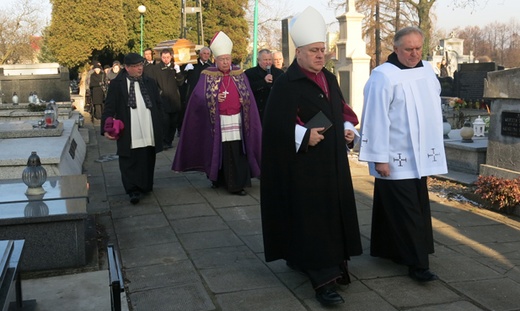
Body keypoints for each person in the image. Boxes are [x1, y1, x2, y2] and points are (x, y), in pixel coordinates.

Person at [260, 6, 362, 306]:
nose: (321, 55)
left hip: (332, 163)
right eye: (315, 51)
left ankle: (325, 263)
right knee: (313, 220)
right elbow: (276, 126)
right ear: (299, 52)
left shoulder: (328, 78)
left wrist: (346, 127)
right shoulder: (285, 83)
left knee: (332, 216)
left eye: (323, 51)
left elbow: (341, 109)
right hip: (303, 168)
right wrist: (304, 135)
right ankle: (323, 282)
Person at [358, 26, 448, 282]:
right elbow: (375, 118)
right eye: (408, 49)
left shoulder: (428, 71)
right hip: (395, 156)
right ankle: (418, 265)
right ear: (396, 49)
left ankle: (390, 250)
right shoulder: (383, 76)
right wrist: (379, 158)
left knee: (405, 205)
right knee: (408, 211)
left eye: (418, 48)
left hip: (421, 157)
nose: (414, 54)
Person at [172, 31, 262, 195]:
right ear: (216, 60)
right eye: (222, 59)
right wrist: (213, 97)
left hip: (237, 120)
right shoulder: (207, 75)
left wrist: (245, 101)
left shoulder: (239, 74)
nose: (226, 62)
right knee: (220, 150)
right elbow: (198, 97)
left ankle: (237, 184)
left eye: (228, 59)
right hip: (218, 121)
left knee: (236, 151)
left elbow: (248, 95)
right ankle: (218, 179)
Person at [101, 52, 164, 204]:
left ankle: (146, 185)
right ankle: (132, 189)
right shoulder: (118, 84)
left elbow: (157, 103)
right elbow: (109, 106)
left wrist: (161, 122)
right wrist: (105, 128)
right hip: (129, 126)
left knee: (147, 156)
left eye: (140, 65)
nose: (139, 69)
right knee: (129, 159)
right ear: (127, 68)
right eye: (135, 66)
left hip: (147, 124)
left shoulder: (149, 82)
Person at [150, 49, 184, 150]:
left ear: (171, 57)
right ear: (161, 57)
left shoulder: (174, 68)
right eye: (164, 57)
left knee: (173, 123)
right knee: (165, 122)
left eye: (167, 57)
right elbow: (153, 84)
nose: (166, 59)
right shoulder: (156, 69)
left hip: (174, 99)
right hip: (163, 99)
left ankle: (169, 140)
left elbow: (180, 83)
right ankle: (164, 141)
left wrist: (178, 72)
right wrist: (158, 94)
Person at [244, 49, 284, 122]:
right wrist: (263, 82)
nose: (268, 62)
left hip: (275, 111)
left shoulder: (279, 73)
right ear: (259, 60)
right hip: (258, 111)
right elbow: (248, 90)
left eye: (270, 59)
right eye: (265, 60)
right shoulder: (250, 73)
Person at [179, 46, 213, 131]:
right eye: (204, 53)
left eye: (208, 54)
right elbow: (183, 77)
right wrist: (185, 69)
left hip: (205, 93)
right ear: (200, 54)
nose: (206, 55)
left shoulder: (211, 67)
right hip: (192, 92)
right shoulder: (193, 63)